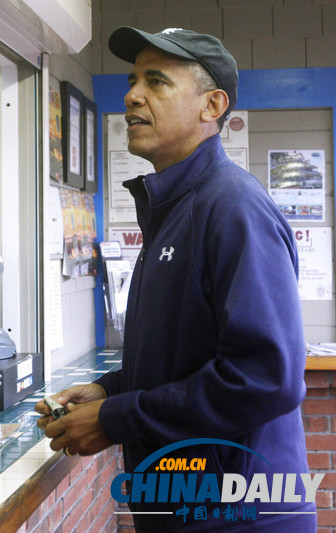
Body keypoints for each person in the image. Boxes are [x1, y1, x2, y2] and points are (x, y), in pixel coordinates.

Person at [36, 28, 315, 530]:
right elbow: (185, 357)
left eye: (157, 81)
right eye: (132, 80)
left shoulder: (232, 207)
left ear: (212, 105)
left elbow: (265, 378)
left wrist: (117, 419)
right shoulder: (176, 209)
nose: (132, 95)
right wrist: (110, 392)